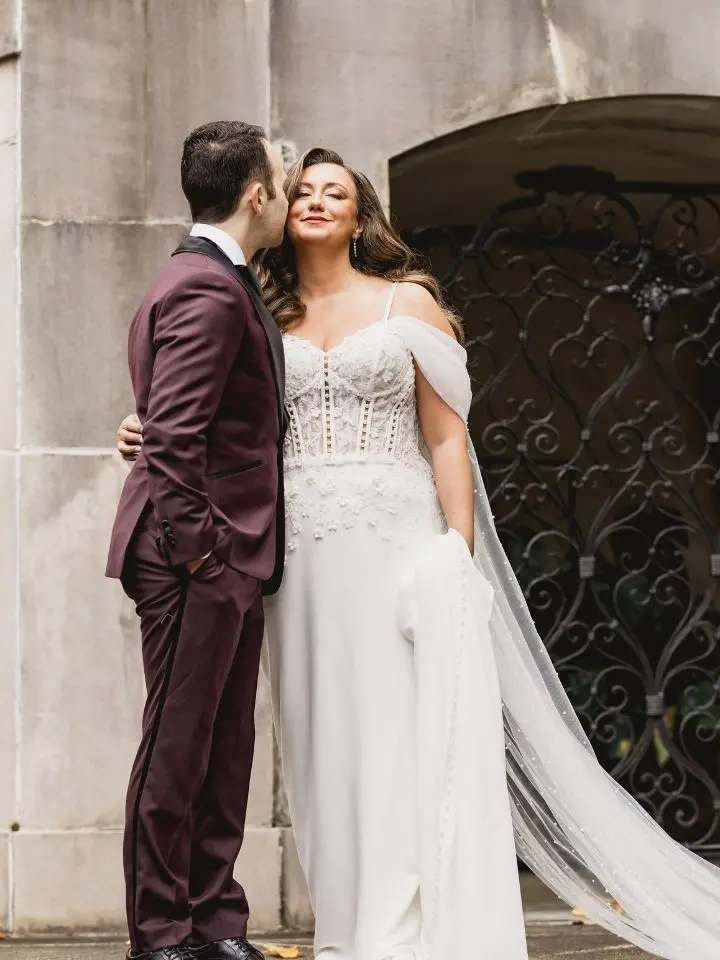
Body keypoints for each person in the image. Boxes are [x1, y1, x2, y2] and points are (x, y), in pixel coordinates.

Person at [117, 148, 720, 960]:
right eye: (304, 190)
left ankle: (406, 922)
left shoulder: (410, 301)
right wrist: (146, 429)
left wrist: (456, 555)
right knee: (320, 737)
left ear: (361, 216)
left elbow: (445, 438)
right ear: (278, 209)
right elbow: (215, 412)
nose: (316, 200)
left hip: (393, 541)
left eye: (336, 192)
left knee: (401, 730)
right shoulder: (259, 306)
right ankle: (346, 922)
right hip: (297, 556)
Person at [107, 121, 288, 960]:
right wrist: (200, 555)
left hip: (228, 552)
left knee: (223, 747)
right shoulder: (205, 289)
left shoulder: (216, 278)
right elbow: (175, 439)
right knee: (177, 750)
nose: (286, 193)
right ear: (256, 194)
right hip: (195, 556)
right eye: (281, 180)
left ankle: (215, 921)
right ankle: (161, 932)